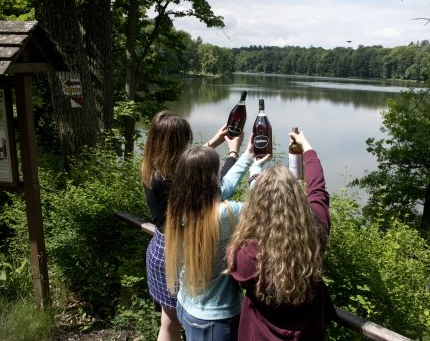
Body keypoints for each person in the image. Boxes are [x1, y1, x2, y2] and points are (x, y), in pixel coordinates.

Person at [141, 110, 241, 341]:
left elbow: (185, 165)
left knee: (168, 325)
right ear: (174, 144)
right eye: (186, 140)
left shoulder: (151, 167)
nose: (189, 143)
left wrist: (214, 141)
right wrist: (233, 154)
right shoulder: (174, 182)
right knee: (191, 325)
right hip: (177, 255)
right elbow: (213, 190)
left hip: (159, 250)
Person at [226, 130, 336, 341]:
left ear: (257, 205)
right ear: (297, 199)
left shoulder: (247, 254)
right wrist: (307, 148)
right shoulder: (314, 234)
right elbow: (317, 190)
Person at [165, 137, 270, 341]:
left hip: (186, 304)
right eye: (217, 171)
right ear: (209, 179)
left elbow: (224, 187)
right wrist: (257, 172)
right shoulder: (224, 214)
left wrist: (248, 155)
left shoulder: (179, 208)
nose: (220, 174)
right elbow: (261, 209)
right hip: (215, 320)